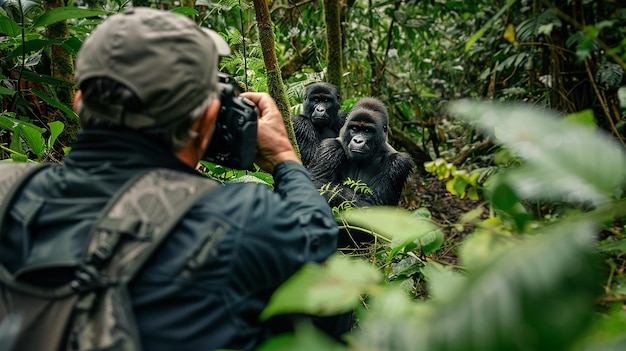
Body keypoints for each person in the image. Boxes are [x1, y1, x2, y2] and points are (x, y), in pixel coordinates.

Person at [0, 7, 342, 351]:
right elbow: (317, 247)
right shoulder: (240, 218)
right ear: (207, 118)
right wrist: (283, 156)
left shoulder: (6, 185)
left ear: (78, 102)